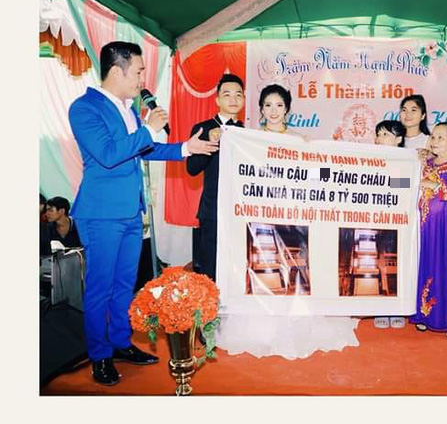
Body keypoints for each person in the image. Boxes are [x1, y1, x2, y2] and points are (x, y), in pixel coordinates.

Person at [68, 41, 218, 386]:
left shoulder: (129, 109)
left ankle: (121, 342)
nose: (141, 80)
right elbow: (109, 154)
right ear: (116, 71)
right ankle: (100, 356)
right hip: (101, 213)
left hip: (130, 212)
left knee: (126, 284)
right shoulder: (84, 108)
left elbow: (143, 149)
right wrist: (147, 129)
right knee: (101, 288)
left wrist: (186, 147)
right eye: (138, 72)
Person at [215, 84, 359, 359]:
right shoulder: (248, 139)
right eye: (268, 105)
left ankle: (296, 321)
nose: (273, 111)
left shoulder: (299, 140)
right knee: (263, 267)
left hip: (292, 219)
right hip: (259, 217)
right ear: (260, 109)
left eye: (279, 105)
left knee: (294, 269)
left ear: (288, 110)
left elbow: (315, 176)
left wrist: (313, 155)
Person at [410, 123, 447, 338]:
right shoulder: (424, 163)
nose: (434, 141)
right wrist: (385, 183)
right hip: (425, 225)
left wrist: (435, 186)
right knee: (426, 263)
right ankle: (424, 314)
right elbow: (406, 183)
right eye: (433, 137)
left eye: (441, 138)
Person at [186, 74, 245, 283]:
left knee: (237, 267)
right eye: (227, 94)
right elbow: (192, 169)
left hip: (240, 211)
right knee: (210, 267)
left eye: (238, 94)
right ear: (217, 100)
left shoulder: (247, 133)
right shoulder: (203, 129)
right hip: (213, 210)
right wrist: (210, 145)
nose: (233, 99)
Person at [372, 120, 407, 329]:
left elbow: (409, 183)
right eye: (378, 134)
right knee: (379, 263)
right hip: (378, 219)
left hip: (401, 221)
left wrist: (384, 182)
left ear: (399, 139)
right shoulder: (370, 159)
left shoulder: (409, 160)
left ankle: (398, 308)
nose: (379, 138)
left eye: (385, 134)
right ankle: (381, 307)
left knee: (400, 265)